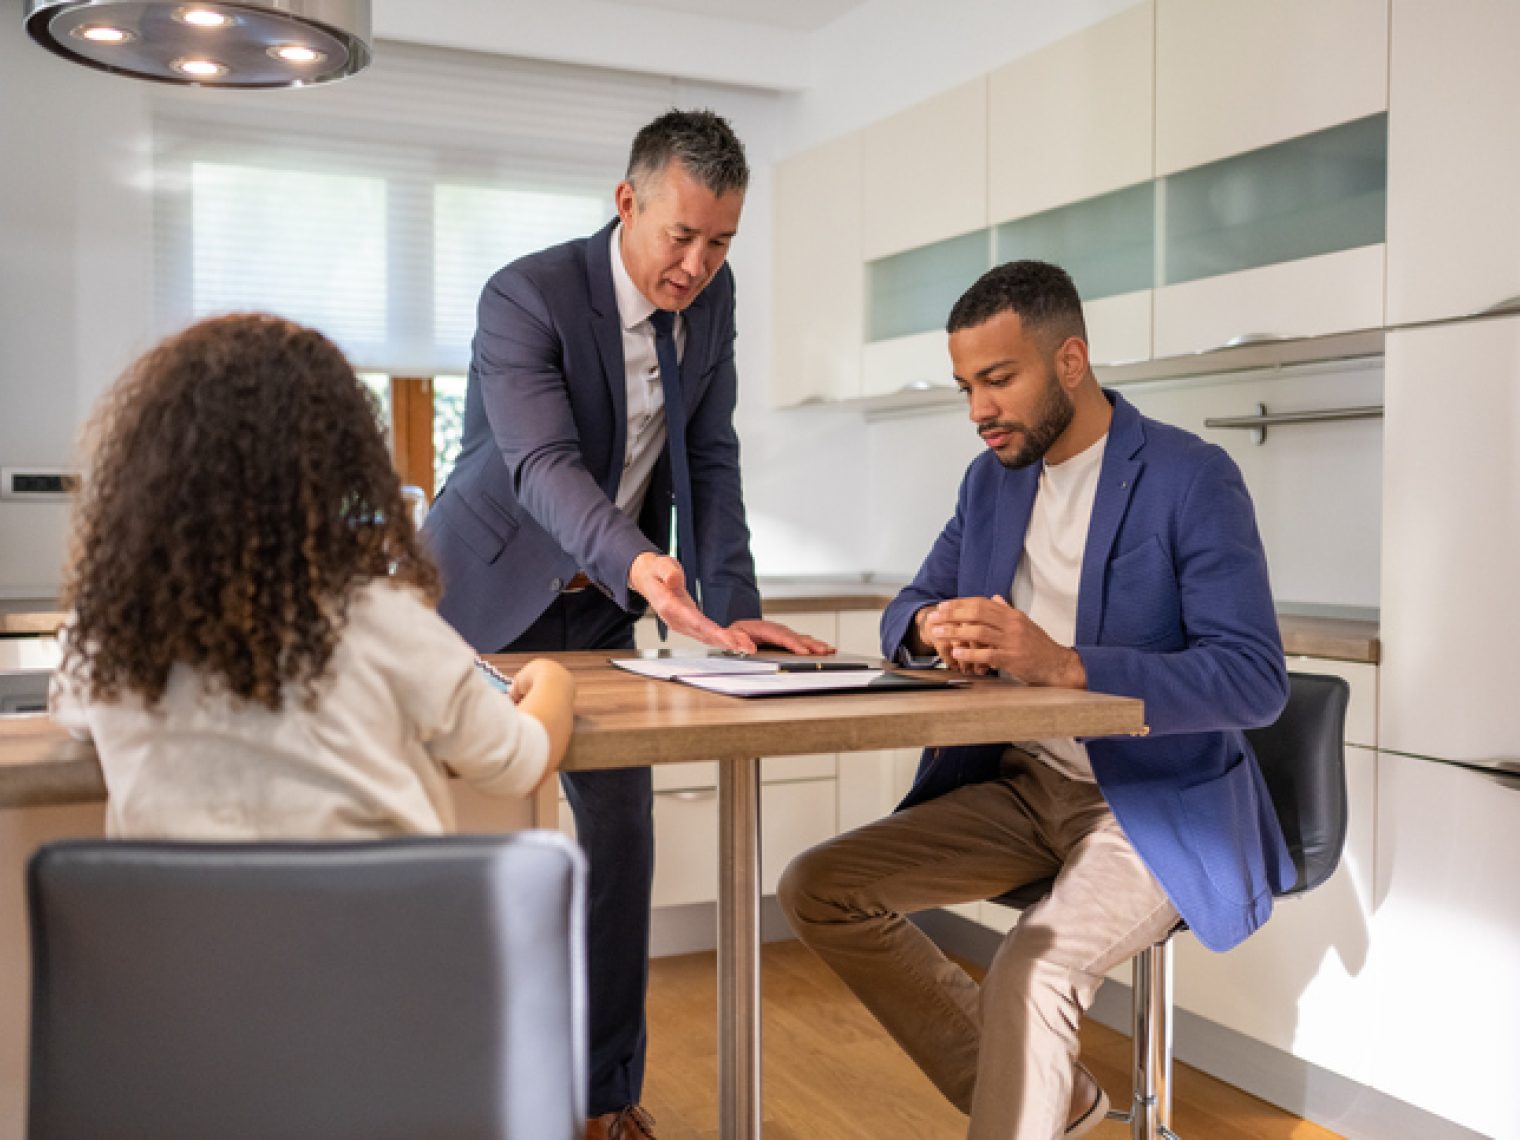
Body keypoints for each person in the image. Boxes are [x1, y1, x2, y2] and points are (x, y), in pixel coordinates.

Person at [778, 261, 1295, 1139]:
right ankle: (1054, 1099)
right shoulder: (992, 482)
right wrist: (932, 623)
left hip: (1153, 800)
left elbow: (1253, 677)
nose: (978, 409)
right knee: (819, 886)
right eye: (965, 386)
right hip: (1024, 791)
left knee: (1034, 967)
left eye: (997, 378)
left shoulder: (1188, 476)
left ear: (1069, 360)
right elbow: (904, 608)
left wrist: (1066, 666)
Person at [420, 109, 830, 1140]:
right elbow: (540, 467)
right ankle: (450, 1083)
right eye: (680, 236)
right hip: (475, 607)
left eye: (721, 241)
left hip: (599, 615)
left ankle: (604, 1098)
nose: (696, 264)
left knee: (617, 843)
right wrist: (645, 565)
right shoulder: (527, 296)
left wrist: (735, 614)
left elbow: (713, 455)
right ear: (626, 203)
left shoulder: (713, 301)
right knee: (464, 849)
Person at [50, 313, 574, 839]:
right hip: (383, 920)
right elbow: (518, 763)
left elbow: (74, 713)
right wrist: (554, 679)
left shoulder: (110, 635)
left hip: (180, 922)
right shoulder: (386, 621)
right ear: (340, 465)